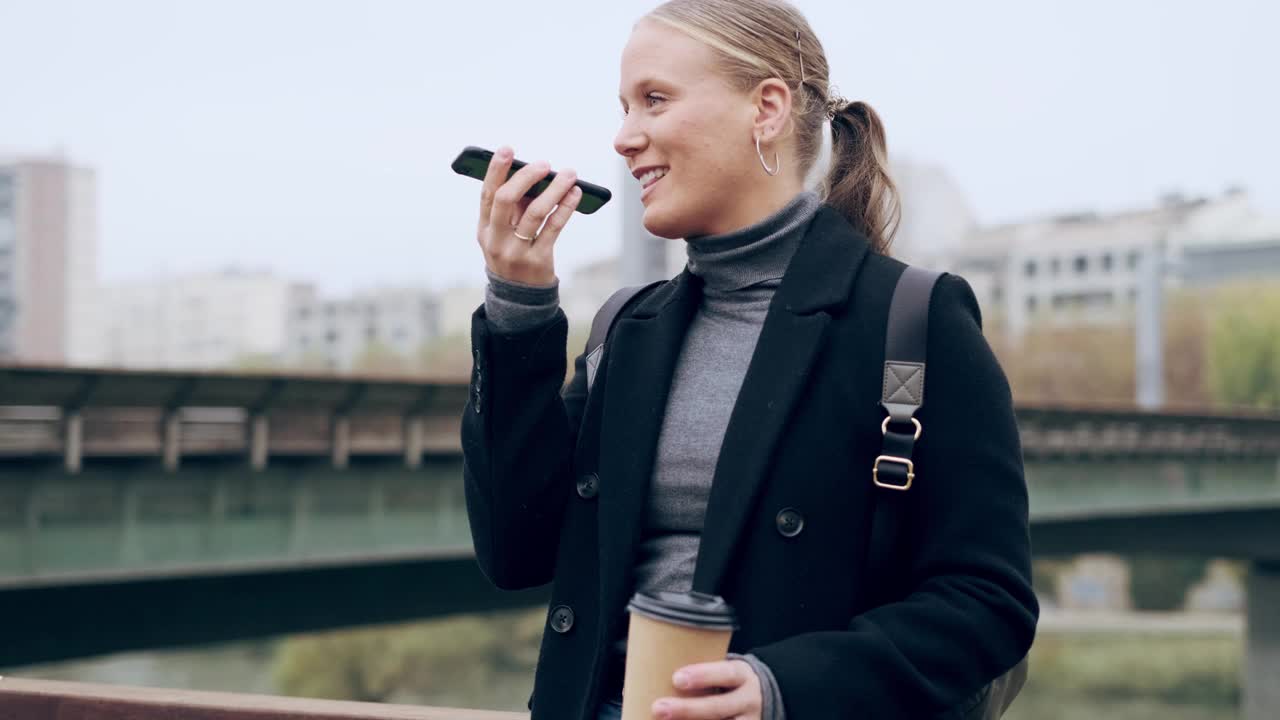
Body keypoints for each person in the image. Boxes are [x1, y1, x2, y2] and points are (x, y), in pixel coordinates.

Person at [461, 1, 1038, 718]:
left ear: (766, 109)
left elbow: (989, 603)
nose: (624, 137)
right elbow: (517, 551)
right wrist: (519, 309)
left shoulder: (915, 323)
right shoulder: (624, 330)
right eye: (623, 106)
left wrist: (782, 688)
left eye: (655, 100)